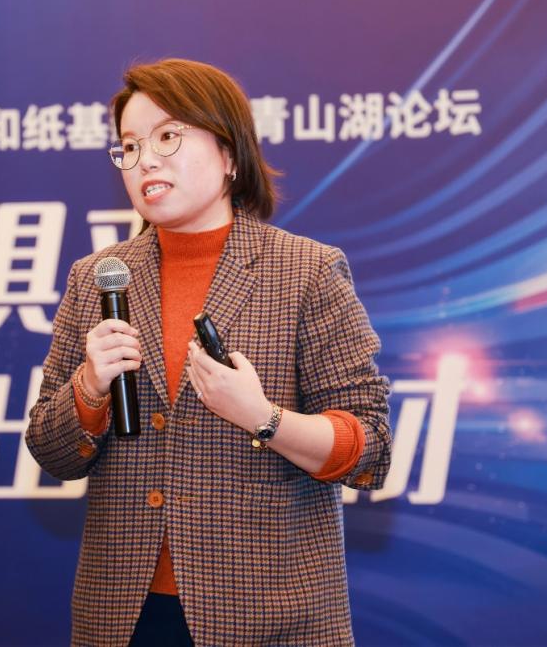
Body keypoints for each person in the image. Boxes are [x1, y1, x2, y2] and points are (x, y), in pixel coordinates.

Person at [25, 58, 391, 646]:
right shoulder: (97, 278)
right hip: (123, 614)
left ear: (229, 155)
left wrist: (262, 417)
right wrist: (89, 389)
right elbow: (51, 450)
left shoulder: (306, 271)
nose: (146, 160)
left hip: (269, 615)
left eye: (168, 136)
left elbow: (370, 446)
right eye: (129, 147)